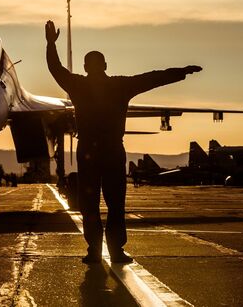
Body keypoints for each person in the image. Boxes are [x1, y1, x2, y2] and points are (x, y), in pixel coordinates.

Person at [45, 20, 202, 263]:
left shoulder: (77, 85)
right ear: (105, 65)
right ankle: (116, 251)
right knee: (115, 203)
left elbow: (56, 69)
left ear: (85, 67)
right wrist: (180, 72)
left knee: (90, 203)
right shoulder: (120, 85)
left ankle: (94, 251)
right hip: (112, 151)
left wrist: (51, 44)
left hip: (87, 151)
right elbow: (153, 78)